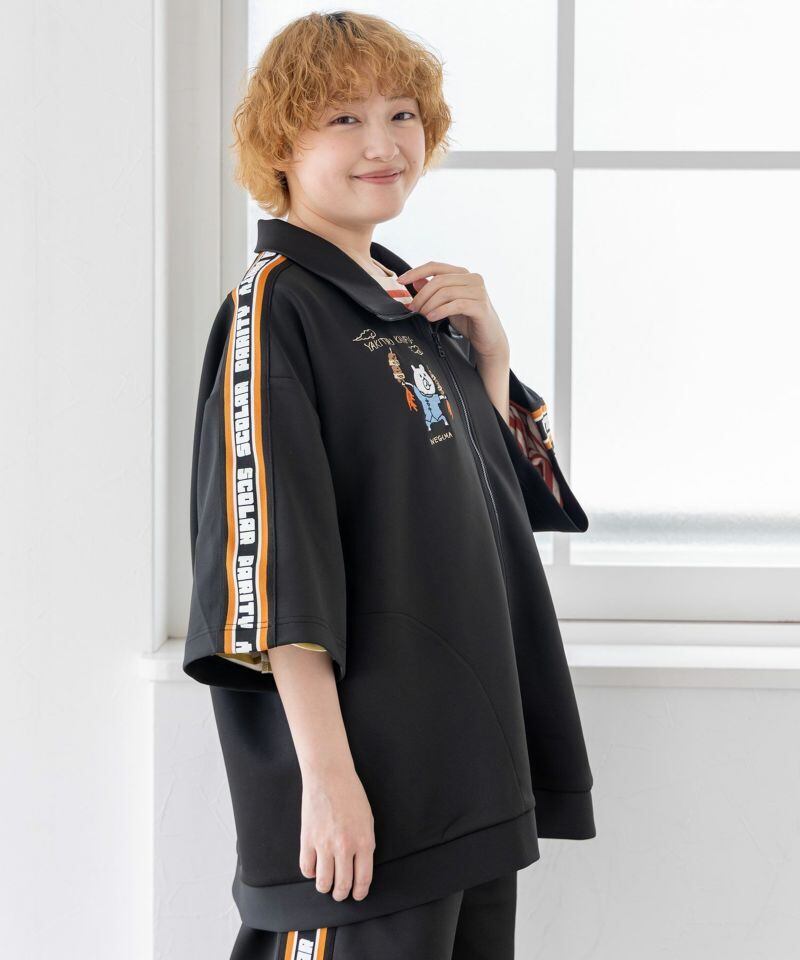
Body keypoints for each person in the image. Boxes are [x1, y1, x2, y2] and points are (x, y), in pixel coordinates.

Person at [184, 11, 596, 959]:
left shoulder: (414, 303)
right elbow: (270, 560)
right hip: (364, 791)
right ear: (280, 144)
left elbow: (492, 510)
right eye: (343, 118)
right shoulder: (274, 309)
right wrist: (327, 782)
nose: (383, 144)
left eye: (402, 114)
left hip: (464, 772)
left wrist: (491, 361)